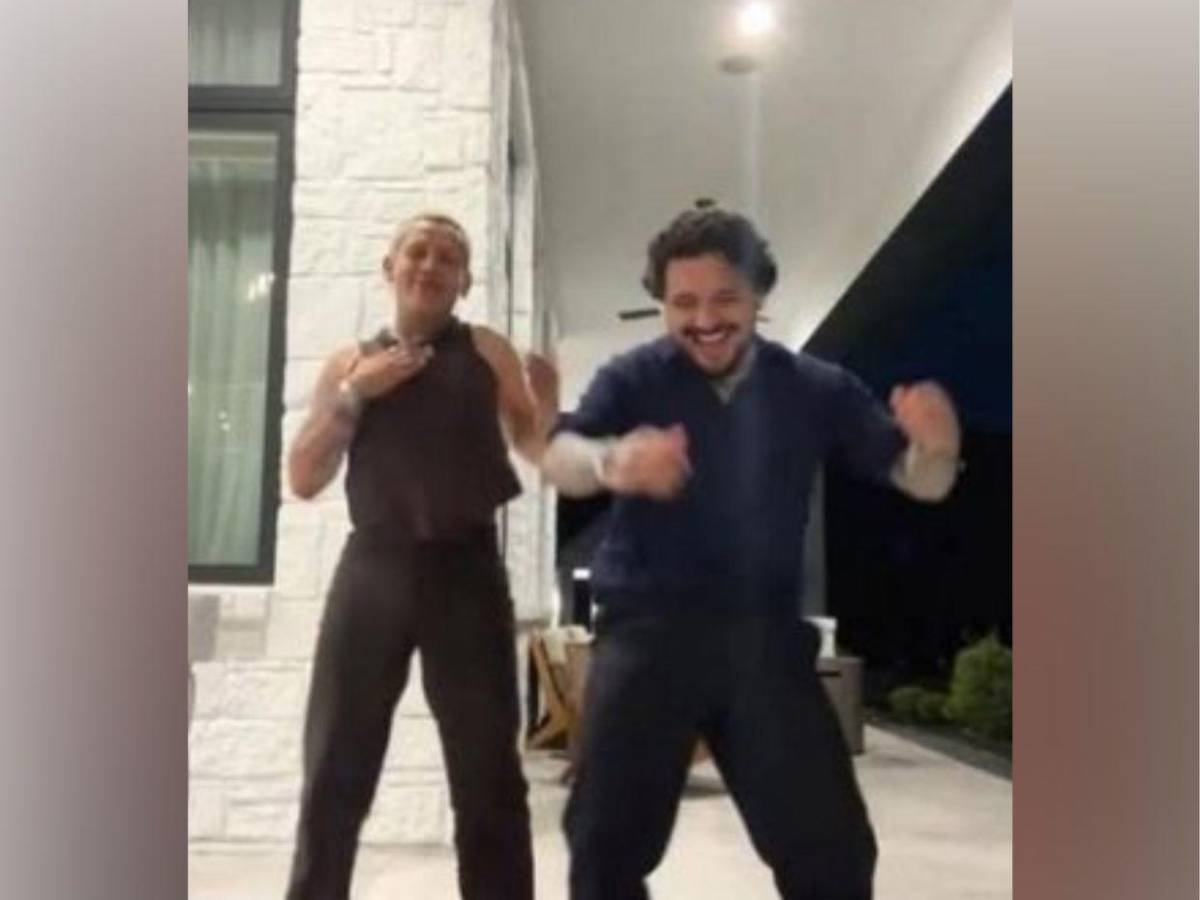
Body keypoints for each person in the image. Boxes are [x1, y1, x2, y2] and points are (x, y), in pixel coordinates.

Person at [541, 202, 961, 900]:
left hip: (763, 639)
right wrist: (615, 461)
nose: (705, 319)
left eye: (725, 298)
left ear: (759, 295)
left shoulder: (816, 388)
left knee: (835, 855)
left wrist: (938, 448)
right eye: (684, 303)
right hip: (646, 636)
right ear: (661, 305)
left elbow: (922, 481)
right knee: (603, 849)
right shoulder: (633, 377)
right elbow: (560, 459)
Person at [284, 212, 558, 900]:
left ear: (464, 282)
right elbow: (304, 477)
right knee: (334, 767)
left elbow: (534, 445)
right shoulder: (348, 364)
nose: (431, 265)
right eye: (418, 251)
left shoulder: (487, 350)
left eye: (448, 258)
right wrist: (357, 393)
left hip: (467, 572)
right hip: (373, 569)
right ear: (391, 267)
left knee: (488, 775)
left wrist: (551, 411)